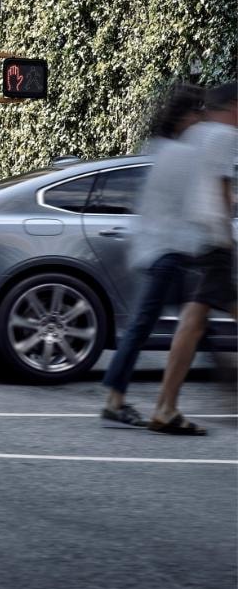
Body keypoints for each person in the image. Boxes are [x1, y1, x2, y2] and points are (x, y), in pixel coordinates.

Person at [99, 83, 202, 426]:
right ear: (186, 117)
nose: (201, 121)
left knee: (174, 324)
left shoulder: (157, 149)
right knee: (167, 324)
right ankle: (121, 400)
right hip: (171, 252)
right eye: (198, 114)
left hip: (157, 249)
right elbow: (194, 204)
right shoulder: (185, 154)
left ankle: (124, 399)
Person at [147, 81, 238, 436]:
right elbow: (220, 190)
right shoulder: (224, 136)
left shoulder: (195, 135)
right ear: (232, 106)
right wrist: (226, 235)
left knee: (191, 324)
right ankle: (165, 406)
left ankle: (165, 407)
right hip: (213, 240)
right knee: (195, 322)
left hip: (194, 238)